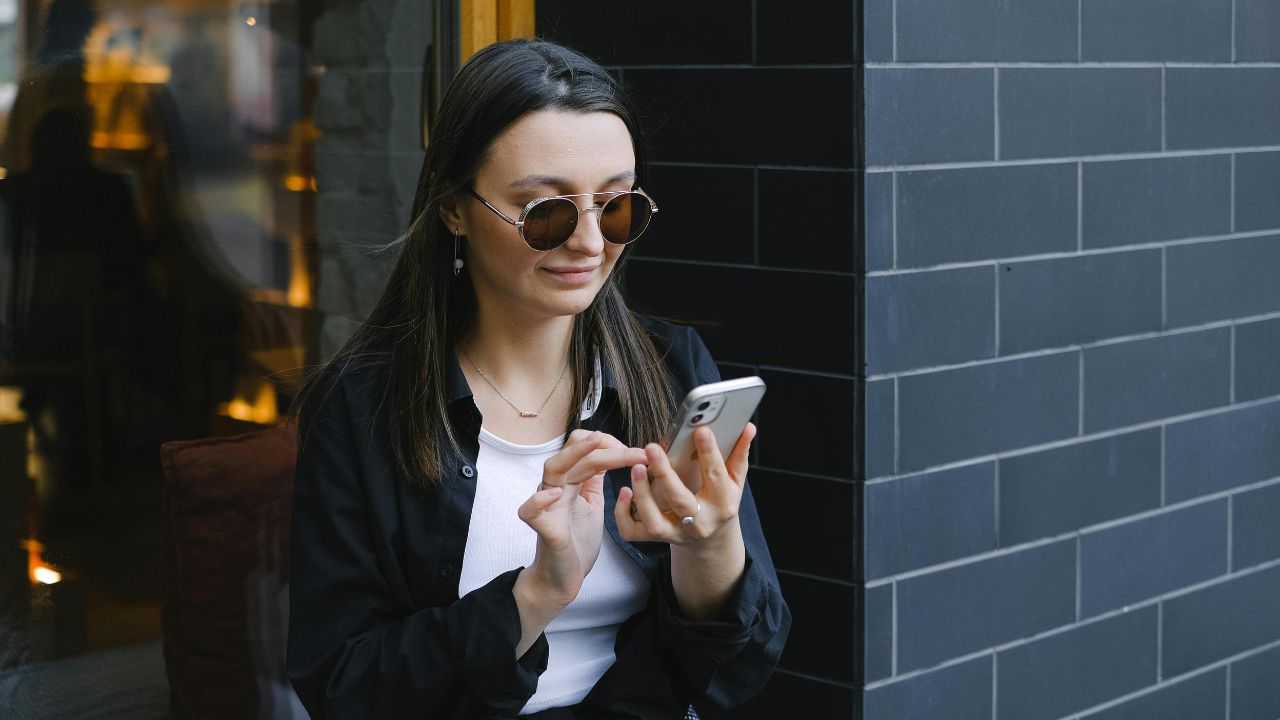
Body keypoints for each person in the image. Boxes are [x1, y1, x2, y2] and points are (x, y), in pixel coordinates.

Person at [286, 38, 790, 719]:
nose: (589, 242)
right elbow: (341, 686)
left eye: (617, 207)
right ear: (454, 209)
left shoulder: (670, 368)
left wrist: (711, 544)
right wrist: (535, 594)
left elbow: (740, 665)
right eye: (546, 213)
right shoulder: (360, 407)